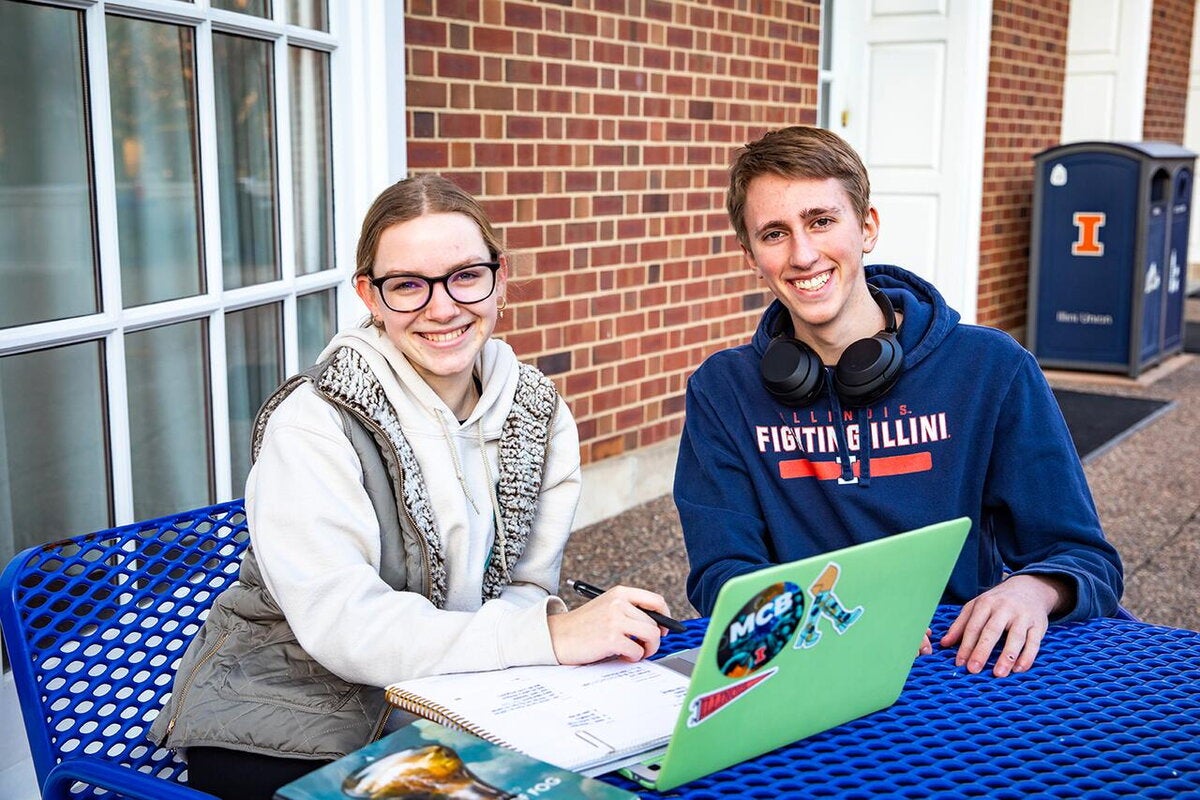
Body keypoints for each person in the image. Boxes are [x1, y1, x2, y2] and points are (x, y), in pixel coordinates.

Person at [149, 174, 674, 800]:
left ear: (500, 278)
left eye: (465, 275)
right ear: (371, 296)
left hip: (450, 700)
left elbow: (526, 590)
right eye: (407, 285)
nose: (444, 307)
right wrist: (548, 635)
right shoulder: (314, 423)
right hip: (285, 722)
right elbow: (348, 627)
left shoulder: (538, 413)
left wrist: (538, 641)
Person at [674, 126, 1123, 680]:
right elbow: (722, 573)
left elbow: (1084, 557)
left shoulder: (991, 368)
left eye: (821, 221)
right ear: (750, 255)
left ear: (867, 227)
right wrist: (817, 615)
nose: (803, 254)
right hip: (810, 659)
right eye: (774, 233)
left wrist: (1033, 589)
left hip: (964, 665)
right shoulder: (723, 391)